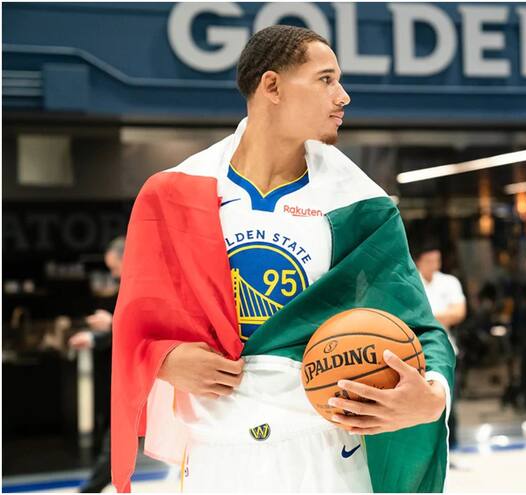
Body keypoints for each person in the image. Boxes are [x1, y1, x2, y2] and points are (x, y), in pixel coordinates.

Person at [111, 26, 454, 493]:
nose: (344, 96)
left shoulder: (360, 204)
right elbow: (136, 325)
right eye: (325, 79)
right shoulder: (174, 192)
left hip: (326, 445)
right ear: (271, 86)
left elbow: (419, 327)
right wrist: (164, 359)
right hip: (215, 448)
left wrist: (433, 396)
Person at [67, 236, 125, 493]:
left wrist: (110, 324)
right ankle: (92, 487)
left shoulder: (146, 281)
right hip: (130, 371)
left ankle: (90, 489)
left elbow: (147, 327)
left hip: (153, 371)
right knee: (118, 437)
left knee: (119, 438)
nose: (113, 274)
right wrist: (94, 336)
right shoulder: (127, 283)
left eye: (114, 268)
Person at [413, 244, 466, 455]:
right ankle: (425, 451)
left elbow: (459, 312)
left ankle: (452, 449)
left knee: (450, 401)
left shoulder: (449, 281)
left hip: (446, 350)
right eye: (429, 261)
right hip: (415, 353)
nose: (434, 265)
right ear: (419, 261)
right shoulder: (410, 280)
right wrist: (441, 316)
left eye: (437, 260)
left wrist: (426, 317)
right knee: (419, 406)